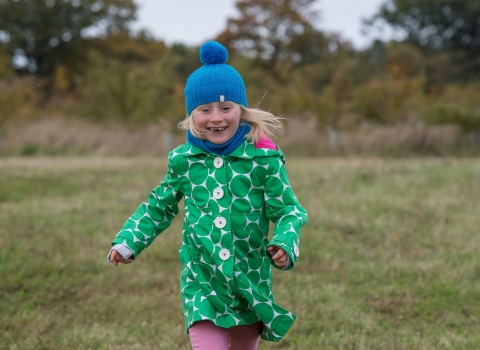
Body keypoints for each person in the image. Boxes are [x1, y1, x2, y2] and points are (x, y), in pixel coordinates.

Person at [107, 41, 308, 350]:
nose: (216, 117)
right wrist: (129, 240)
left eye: (226, 107)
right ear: (192, 115)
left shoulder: (263, 160)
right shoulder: (183, 160)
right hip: (202, 278)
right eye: (205, 110)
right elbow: (159, 205)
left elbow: (288, 211)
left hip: (248, 278)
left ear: (241, 110)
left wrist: (285, 241)